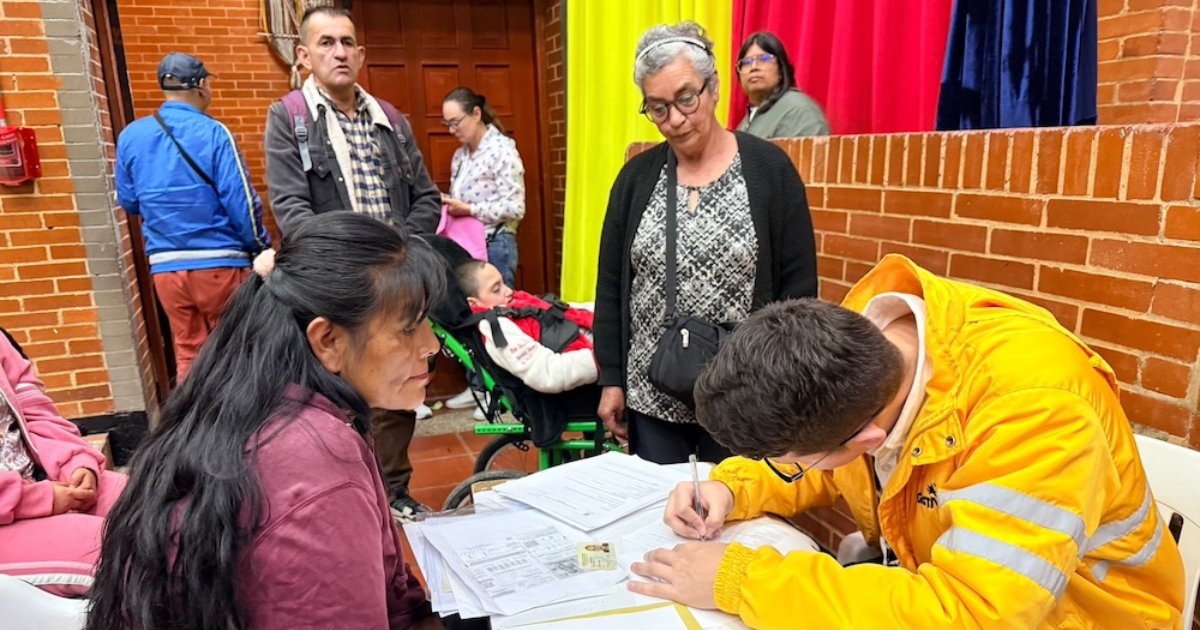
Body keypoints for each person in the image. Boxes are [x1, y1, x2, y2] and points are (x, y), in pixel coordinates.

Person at [632, 255, 1186, 629]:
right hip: (949, 585)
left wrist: (741, 579)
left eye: (790, 463)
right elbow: (820, 459)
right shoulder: (859, 353)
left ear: (870, 440)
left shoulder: (1035, 414)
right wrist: (732, 487)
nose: (789, 469)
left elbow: (974, 615)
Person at [85, 213, 449, 630]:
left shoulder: (249, 399)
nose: (430, 344)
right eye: (408, 328)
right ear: (328, 340)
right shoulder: (317, 469)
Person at [593, 22, 818, 465]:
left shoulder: (769, 170)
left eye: (685, 99)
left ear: (713, 88)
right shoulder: (635, 180)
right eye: (657, 108)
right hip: (651, 391)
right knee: (659, 518)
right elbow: (612, 286)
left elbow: (799, 286)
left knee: (735, 517)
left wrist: (788, 380)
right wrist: (612, 378)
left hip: (746, 394)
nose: (674, 119)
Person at [263, 6, 441, 520]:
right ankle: (347, 500)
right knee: (338, 394)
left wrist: (397, 255)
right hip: (337, 288)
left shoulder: (391, 121)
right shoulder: (290, 118)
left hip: (395, 284)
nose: (338, 52)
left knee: (401, 382)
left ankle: (394, 493)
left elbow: (426, 198)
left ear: (361, 54)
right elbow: (290, 208)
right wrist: (349, 260)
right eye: (325, 43)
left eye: (346, 42)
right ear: (304, 55)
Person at [116, 52, 270, 378]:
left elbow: (129, 201)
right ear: (200, 85)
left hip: (167, 269)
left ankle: (196, 426)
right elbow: (241, 200)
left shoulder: (131, 136)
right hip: (220, 263)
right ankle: (244, 425)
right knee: (238, 350)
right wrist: (260, 247)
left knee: (188, 351)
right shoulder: (215, 133)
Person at [0, 327, 127, 597]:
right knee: (125, 556)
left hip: (38, 482)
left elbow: (35, 412)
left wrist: (76, 462)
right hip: (13, 509)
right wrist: (35, 499)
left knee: (165, 510)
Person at [457, 259, 596, 394]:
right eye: (496, 289)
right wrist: (605, 359)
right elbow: (547, 374)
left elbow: (572, 312)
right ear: (474, 304)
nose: (509, 291)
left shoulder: (518, 304)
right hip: (590, 375)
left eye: (503, 283)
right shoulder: (497, 328)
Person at [442, 87, 526, 288]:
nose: (451, 130)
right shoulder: (459, 156)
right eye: (447, 124)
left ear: (477, 114)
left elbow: (515, 208)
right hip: (468, 246)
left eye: (456, 122)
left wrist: (469, 209)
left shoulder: (502, 151)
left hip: (495, 244)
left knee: (498, 313)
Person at [734, 31, 830, 139]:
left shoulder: (799, 110)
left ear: (781, 69)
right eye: (746, 62)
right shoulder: (745, 122)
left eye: (764, 59)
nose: (754, 67)